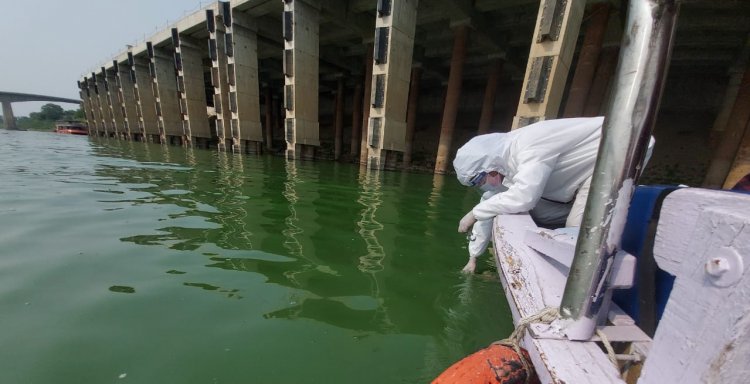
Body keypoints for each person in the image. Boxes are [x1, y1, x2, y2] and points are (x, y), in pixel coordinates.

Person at [453, 117, 653, 273]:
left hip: (617, 150)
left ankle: (571, 295)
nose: (482, 185)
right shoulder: (504, 163)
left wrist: (474, 213)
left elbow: (524, 197)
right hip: (574, 182)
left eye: (479, 180)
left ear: (489, 166)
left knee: (576, 231)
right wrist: (473, 257)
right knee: (495, 202)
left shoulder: (529, 146)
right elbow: (490, 204)